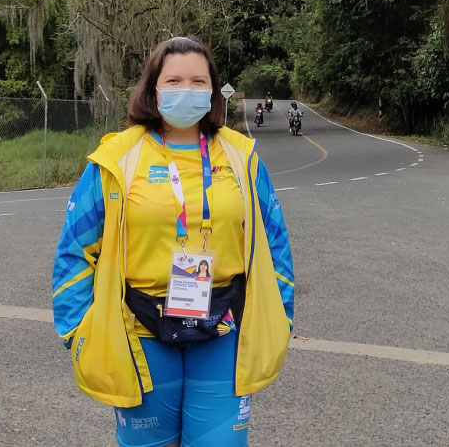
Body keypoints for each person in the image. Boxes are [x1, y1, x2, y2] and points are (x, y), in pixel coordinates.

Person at [53, 36, 294, 447]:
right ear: (153, 89)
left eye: (199, 82)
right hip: (139, 329)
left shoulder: (242, 157)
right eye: (175, 80)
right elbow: (76, 250)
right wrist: (79, 331)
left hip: (224, 325)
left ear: (214, 91)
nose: (188, 90)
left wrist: (281, 318)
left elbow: (275, 246)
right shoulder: (116, 159)